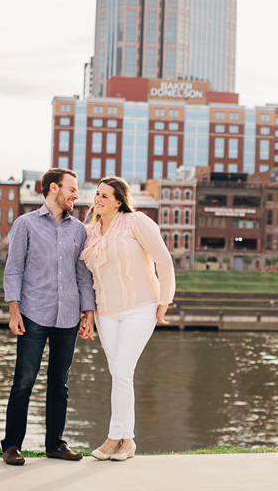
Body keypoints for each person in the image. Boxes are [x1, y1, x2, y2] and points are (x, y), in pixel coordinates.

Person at [0, 168, 96, 466]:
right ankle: (12, 445)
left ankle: (55, 444)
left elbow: (83, 275)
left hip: (67, 316)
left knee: (60, 383)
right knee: (24, 381)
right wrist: (14, 310)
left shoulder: (78, 229)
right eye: (71, 189)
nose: (76, 195)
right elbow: (13, 269)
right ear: (54, 188)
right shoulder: (25, 224)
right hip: (33, 314)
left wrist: (89, 313)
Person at [80, 177, 175, 462]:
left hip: (140, 307)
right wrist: (90, 315)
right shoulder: (88, 232)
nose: (98, 199)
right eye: (97, 194)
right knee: (120, 375)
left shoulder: (137, 221)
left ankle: (113, 438)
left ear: (119, 202)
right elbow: (87, 275)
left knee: (121, 370)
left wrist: (164, 302)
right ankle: (128, 441)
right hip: (106, 311)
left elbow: (164, 260)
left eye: (105, 196)